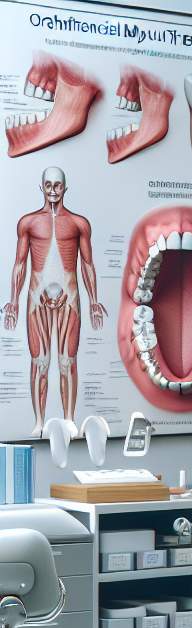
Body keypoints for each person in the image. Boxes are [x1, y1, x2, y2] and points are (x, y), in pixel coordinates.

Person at [3, 166, 105, 435]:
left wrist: (94, 300)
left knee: (67, 361)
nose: (52, 190)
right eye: (48, 185)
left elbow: (88, 265)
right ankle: (39, 422)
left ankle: (69, 419)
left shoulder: (78, 224)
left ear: (64, 188)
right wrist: (13, 301)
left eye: (57, 185)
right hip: (37, 297)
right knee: (40, 361)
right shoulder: (28, 222)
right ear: (41, 187)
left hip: (69, 297)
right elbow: (19, 264)